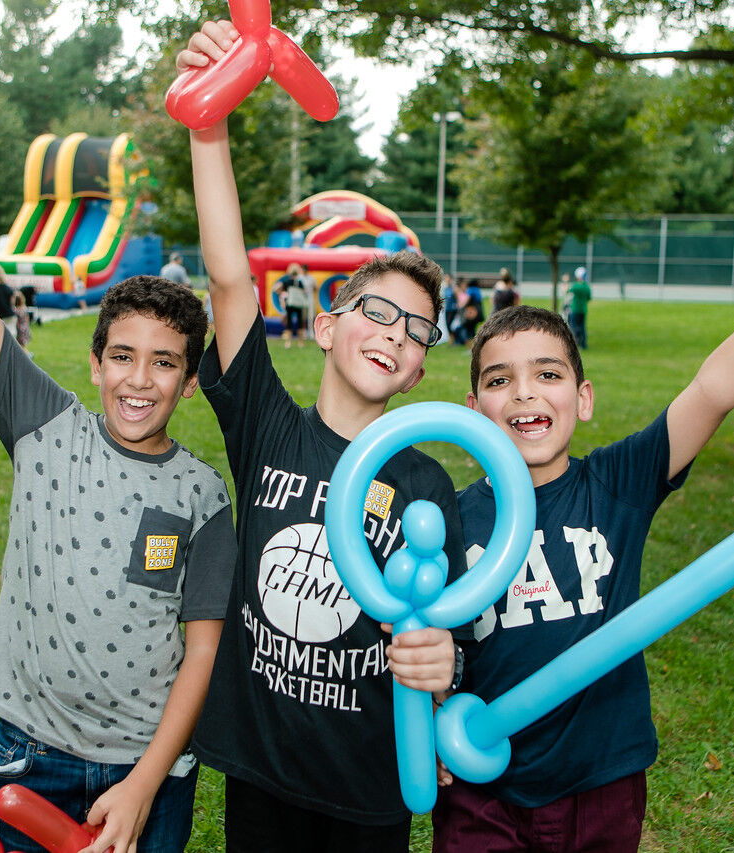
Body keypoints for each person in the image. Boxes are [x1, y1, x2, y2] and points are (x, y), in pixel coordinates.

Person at [434, 199, 734, 852]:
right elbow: (425, 648)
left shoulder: (618, 482)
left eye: (548, 374)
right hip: (485, 790)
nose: (524, 393)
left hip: (605, 776)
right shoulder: (448, 518)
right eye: (498, 380)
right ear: (473, 411)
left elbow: (715, 388)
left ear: (584, 397)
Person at [0, 62, 238, 853]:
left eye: (164, 362)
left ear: (189, 384)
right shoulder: (43, 426)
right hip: (31, 754)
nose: (139, 379)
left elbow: (202, 651)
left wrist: (146, 781)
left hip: (146, 769)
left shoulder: (203, 494)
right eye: (122, 355)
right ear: (93, 364)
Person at [181, 21, 466, 850]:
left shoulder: (425, 486)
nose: (393, 333)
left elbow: (432, 635)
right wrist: (210, 119)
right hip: (264, 770)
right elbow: (230, 278)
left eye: (416, 330)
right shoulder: (266, 423)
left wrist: (439, 669)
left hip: (368, 786)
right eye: (376, 311)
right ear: (325, 328)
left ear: (417, 372)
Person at [274, 262, 311, 348]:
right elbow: (305, 292)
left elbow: (276, 289)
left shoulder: (287, 282)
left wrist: (282, 294)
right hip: (298, 304)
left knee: (289, 322)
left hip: (290, 304)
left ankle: (288, 342)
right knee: (300, 323)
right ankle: (300, 342)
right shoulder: (299, 282)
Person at [568, 266, 592, 350]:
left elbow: (567, 291)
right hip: (583, 310)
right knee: (582, 327)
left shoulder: (576, 286)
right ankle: (583, 344)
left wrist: (565, 281)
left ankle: (576, 342)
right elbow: (589, 298)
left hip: (575, 309)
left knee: (574, 326)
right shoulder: (586, 287)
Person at [462, 278, 485, 346]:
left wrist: (462, 307)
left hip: (472, 311)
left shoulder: (471, 290)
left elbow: (467, 300)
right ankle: (474, 345)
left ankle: (470, 346)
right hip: (478, 311)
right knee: (473, 329)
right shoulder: (477, 290)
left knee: (469, 329)